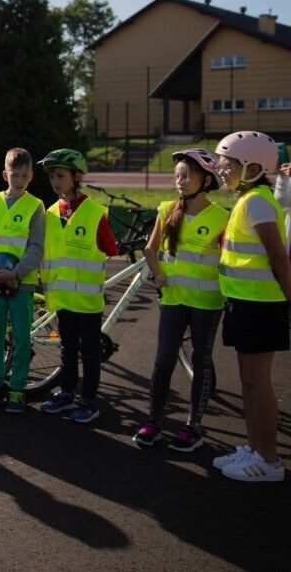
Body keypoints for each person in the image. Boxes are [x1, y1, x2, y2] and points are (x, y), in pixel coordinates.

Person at [137, 149, 227, 451]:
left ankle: (193, 426)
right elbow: (150, 250)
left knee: (201, 361)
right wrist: (158, 274)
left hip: (207, 303)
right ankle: (154, 421)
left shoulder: (221, 218)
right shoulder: (167, 210)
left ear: (206, 179)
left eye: (186, 176)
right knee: (163, 360)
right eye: (177, 176)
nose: (180, 181)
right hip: (174, 300)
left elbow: (229, 260)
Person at [212, 131, 289, 482]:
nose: (220, 169)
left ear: (253, 166)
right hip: (245, 303)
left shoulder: (257, 201)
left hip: (261, 306)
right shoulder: (248, 199)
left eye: (227, 164)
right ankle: (254, 448)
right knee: (248, 380)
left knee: (258, 383)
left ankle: (269, 461)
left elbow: (279, 259)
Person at [37, 148, 118, 423]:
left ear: (77, 176)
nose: (55, 181)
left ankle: (89, 401)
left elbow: (109, 247)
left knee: (90, 353)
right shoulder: (49, 213)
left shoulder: (95, 212)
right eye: (51, 177)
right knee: (67, 350)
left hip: (87, 302)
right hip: (62, 300)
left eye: (60, 175)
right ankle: (67, 393)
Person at [0, 147, 45, 413]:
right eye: (15, 175)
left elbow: (36, 247)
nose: (20, 180)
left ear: (31, 176)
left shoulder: (36, 206)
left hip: (20, 283)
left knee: (22, 337)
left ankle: (17, 390)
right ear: (5, 174)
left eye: (25, 175)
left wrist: (16, 272)